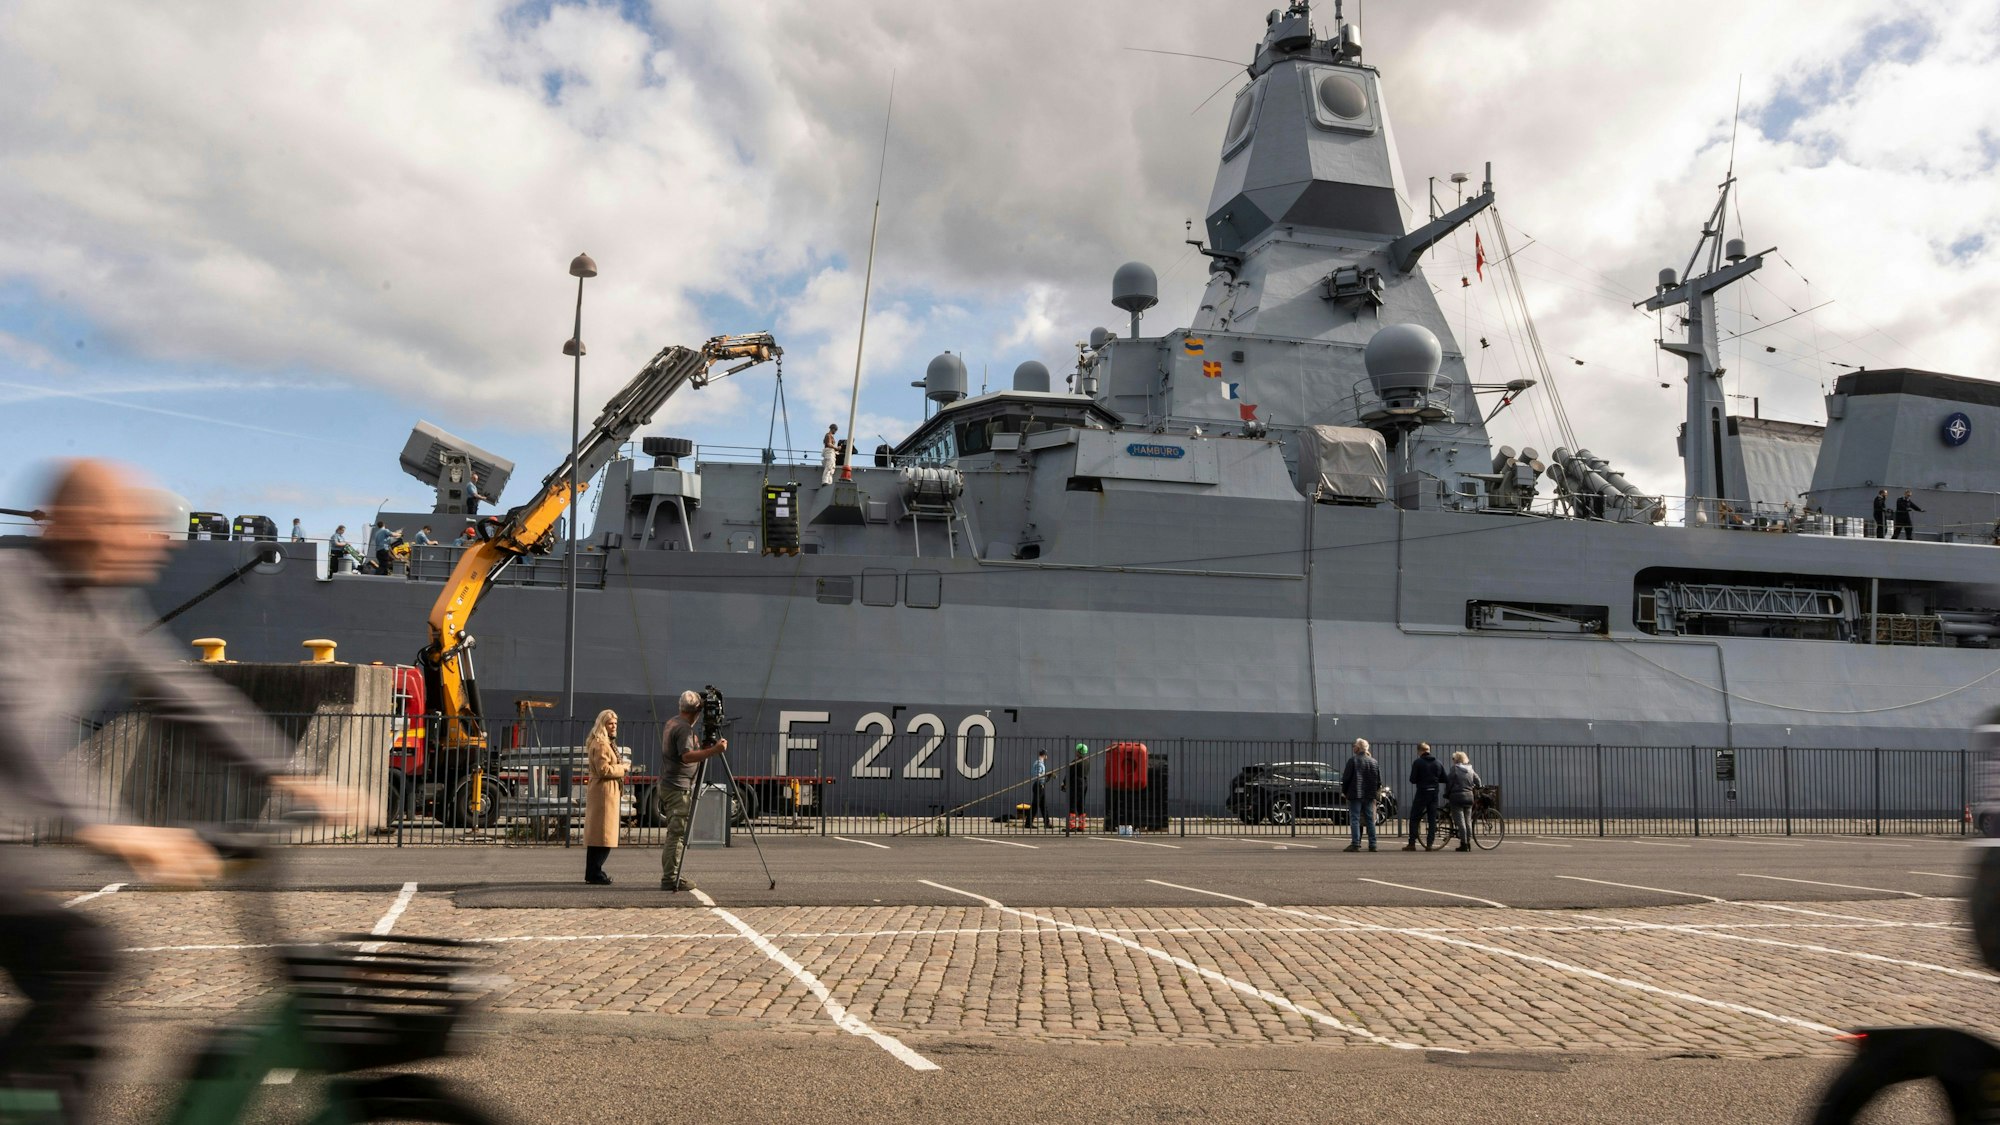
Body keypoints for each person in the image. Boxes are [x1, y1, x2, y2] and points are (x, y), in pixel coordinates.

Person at [0, 459, 349, 1122]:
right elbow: (9, 717)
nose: (150, 539)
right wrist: (107, 825)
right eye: (129, 522)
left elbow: (184, 693)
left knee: (79, 1007)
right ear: (81, 523)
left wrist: (289, 772)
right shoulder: (11, 591)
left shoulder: (99, 607)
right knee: (80, 960)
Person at [660, 690, 728, 891]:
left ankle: (671, 875)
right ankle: (671, 878)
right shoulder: (684, 730)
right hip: (677, 786)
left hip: (669, 783)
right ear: (697, 710)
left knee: (675, 833)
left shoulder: (673, 722)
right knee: (677, 834)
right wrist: (713, 751)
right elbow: (687, 757)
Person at [583, 710, 627, 885]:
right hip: (604, 792)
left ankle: (593, 871)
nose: (614, 726)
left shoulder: (605, 742)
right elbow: (604, 770)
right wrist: (623, 768)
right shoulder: (601, 744)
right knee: (603, 835)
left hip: (606, 791)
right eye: (610, 723)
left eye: (615, 723)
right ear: (602, 724)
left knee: (600, 835)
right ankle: (595, 872)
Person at [1339, 739, 1382, 852]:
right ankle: (1373, 844)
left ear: (1358, 748)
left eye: (1354, 746)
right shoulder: (1373, 761)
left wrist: (1345, 791)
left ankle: (1355, 843)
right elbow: (1378, 781)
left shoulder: (1353, 761)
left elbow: (1346, 778)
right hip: (1369, 795)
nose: (1353, 748)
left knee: (1355, 818)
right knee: (1370, 820)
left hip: (1355, 794)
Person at [1403, 742, 1446, 851]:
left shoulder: (1418, 762)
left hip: (1422, 792)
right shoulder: (1438, 762)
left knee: (1414, 817)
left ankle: (1412, 843)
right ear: (1429, 750)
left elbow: (1412, 779)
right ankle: (1429, 844)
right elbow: (1444, 778)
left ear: (1419, 751)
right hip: (1434, 793)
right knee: (1432, 819)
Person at [1445, 751, 1482, 852]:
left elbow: (1449, 782)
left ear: (1456, 760)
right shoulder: (1470, 769)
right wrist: (1478, 787)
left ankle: (1463, 844)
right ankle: (1468, 843)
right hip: (1469, 797)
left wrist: (1446, 793)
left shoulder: (1455, 769)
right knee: (1468, 821)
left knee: (1460, 822)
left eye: (1453, 759)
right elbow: (1478, 780)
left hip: (1457, 797)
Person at [1060, 743, 1089, 833]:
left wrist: (1064, 783)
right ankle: (1082, 825)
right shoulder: (1087, 762)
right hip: (1084, 783)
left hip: (1076, 784)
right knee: (1081, 805)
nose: (1075, 751)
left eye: (1077, 750)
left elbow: (1069, 774)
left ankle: (1071, 826)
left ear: (1079, 752)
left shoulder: (1075, 762)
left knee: (1072, 804)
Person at [1030, 749, 1051, 829]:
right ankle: (1028, 823)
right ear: (1045, 755)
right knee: (1035, 805)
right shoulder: (1039, 764)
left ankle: (1047, 823)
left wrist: (1047, 777)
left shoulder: (1038, 763)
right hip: (1039, 786)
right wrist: (1046, 775)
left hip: (1041, 785)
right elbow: (1038, 775)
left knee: (1043, 805)